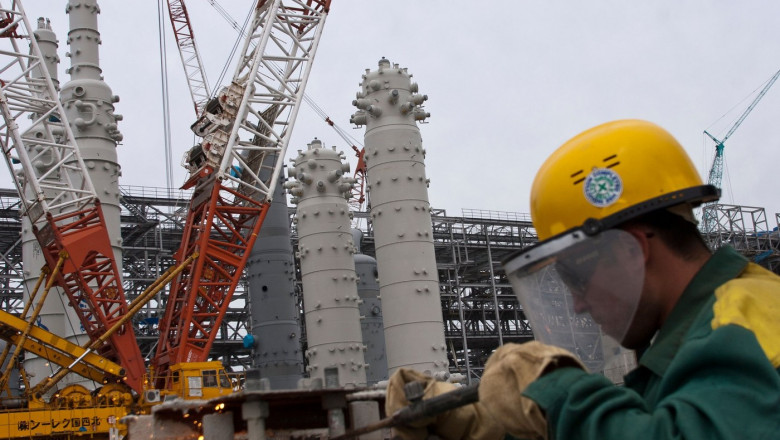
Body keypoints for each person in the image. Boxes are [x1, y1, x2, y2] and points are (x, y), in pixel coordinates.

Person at [385, 119, 780, 439]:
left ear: (631, 251)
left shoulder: (745, 320)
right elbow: (647, 421)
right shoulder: (700, 333)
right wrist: (486, 424)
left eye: (575, 277)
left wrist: (556, 390)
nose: (576, 303)